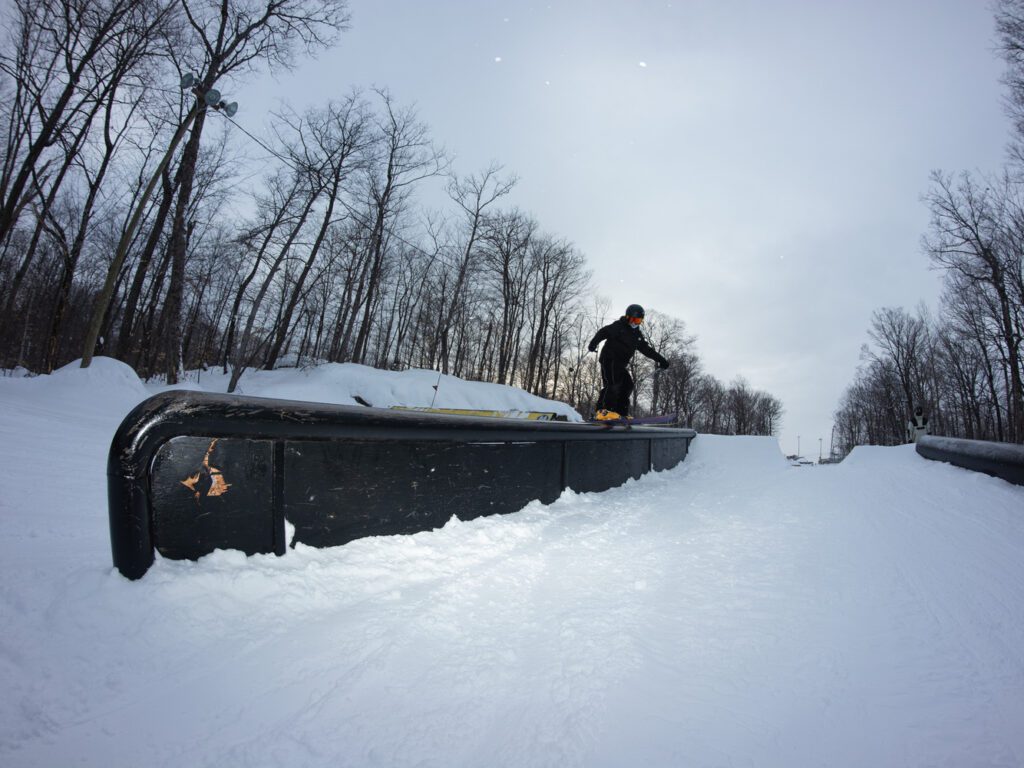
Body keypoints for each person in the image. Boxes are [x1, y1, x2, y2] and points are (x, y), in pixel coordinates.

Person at [588, 304, 669, 419]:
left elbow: (647, 350)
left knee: (627, 385)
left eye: (638, 321)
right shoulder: (619, 326)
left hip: (621, 364)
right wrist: (593, 343)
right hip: (610, 358)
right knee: (614, 383)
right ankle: (605, 410)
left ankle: (621, 412)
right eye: (632, 320)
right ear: (627, 317)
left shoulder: (637, 335)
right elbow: (603, 332)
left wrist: (662, 360)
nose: (634, 323)